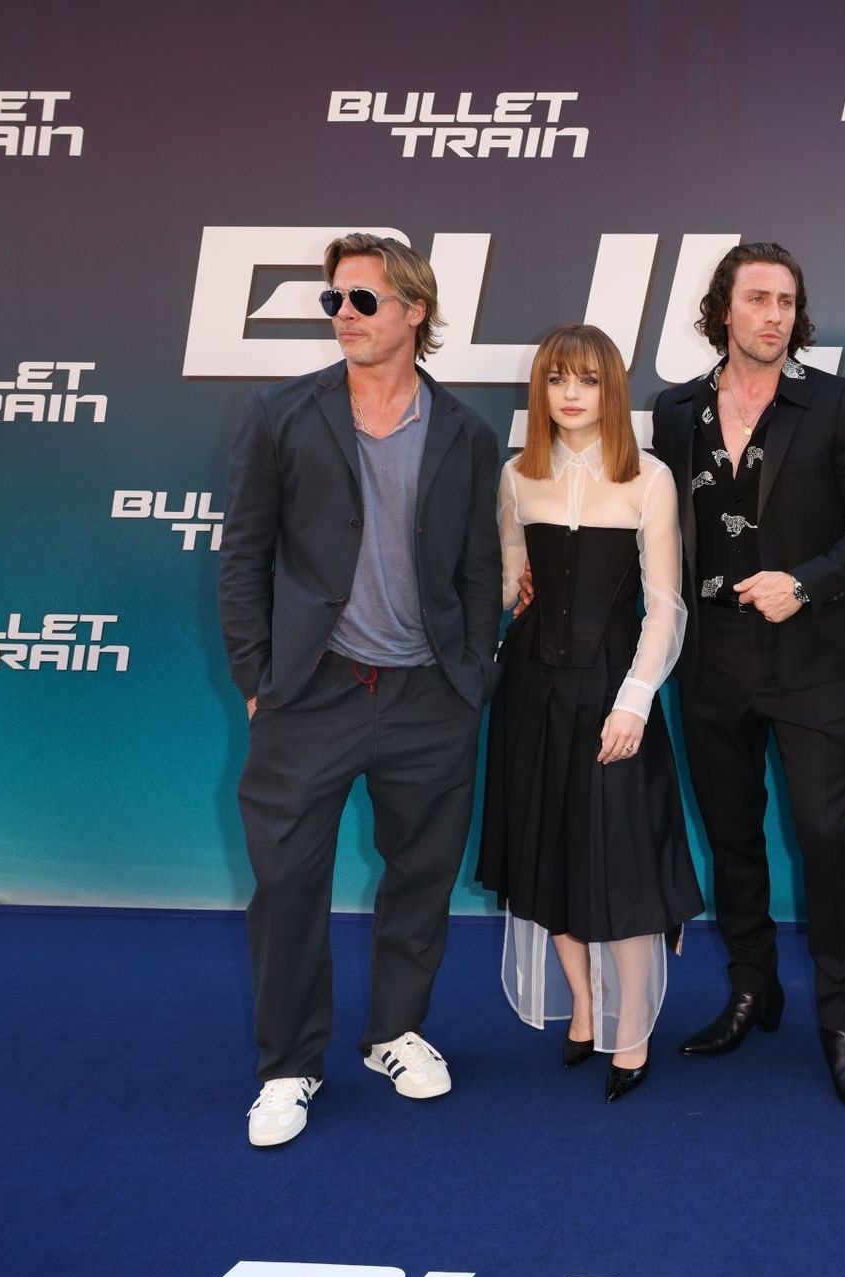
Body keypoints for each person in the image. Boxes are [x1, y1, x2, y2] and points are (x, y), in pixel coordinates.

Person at [219, 233, 502, 1147]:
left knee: (422, 875)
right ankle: (289, 1066)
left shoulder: (465, 431)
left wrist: (472, 675)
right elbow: (244, 557)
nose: (343, 314)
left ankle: (394, 1033)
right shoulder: (280, 414)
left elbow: (480, 567)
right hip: (312, 691)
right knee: (286, 884)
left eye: (364, 300)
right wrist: (258, 680)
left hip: (430, 695)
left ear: (414, 310)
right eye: (334, 299)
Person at [655, 242, 845, 1112]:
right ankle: (751, 987)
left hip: (808, 658)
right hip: (709, 660)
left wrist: (807, 581)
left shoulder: (833, 401)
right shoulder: (676, 409)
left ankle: (841, 1021)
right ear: (722, 308)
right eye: (757, 298)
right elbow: (652, 524)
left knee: (826, 839)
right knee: (731, 837)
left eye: (786, 301)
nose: (773, 315)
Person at [476, 324, 704, 1104]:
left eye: (587, 379)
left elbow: (666, 606)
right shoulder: (516, 477)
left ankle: (631, 1031)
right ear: (539, 390)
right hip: (530, 694)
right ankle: (581, 1006)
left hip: (613, 691)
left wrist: (634, 701)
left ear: (612, 388)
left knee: (622, 868)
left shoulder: (649, 477)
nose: (570, 394)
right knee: (545, 857)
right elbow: (507, 587)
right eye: (555, 379)